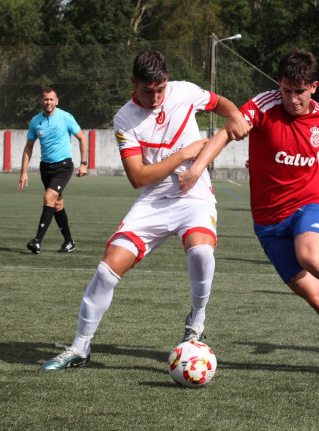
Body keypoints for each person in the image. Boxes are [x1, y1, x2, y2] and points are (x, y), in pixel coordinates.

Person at [180, 48, 319, 375]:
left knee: (311, 256)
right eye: (286, 89)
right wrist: (198, 169)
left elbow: (296, 149)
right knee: (317, 298)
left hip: (306, 204)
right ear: (277, 84)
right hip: (268, 224)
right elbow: (227, 131)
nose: (293, 99)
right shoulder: (262, 106)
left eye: (300, 91)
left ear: (314, 87)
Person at [40, 50, 249, 370]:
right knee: (107, 268)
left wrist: (234, 113)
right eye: (148, 90)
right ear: (133, 83)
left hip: (194, 197)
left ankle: (196, 319)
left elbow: (220, 103)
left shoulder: (184, 91)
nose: (155, 97)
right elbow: (138, 177)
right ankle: (80, 347)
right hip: (153, 201)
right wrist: (184, 155)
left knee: (201, 254)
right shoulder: (125, 118)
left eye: (160, 89)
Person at [18, 88, 88, 254]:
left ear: (56, 101)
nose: (48, 102)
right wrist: (23, 171)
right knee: (57, 204)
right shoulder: (36, 121)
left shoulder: (65, 117)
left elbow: (82, 138)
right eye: (45, 99)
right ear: (41, 101)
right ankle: (69, 242)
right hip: (46, 168)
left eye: (51, 99)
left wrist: (83, 163)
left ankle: (37, 241)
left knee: (49, 197)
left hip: (63, 166)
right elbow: (29, 147)